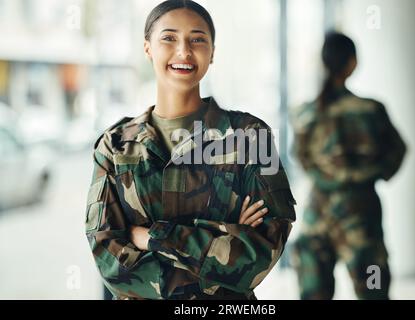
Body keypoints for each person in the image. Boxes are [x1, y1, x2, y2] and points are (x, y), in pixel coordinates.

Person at [84, 0, 296, 300]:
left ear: (212, 53)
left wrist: (150, 237)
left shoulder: (250, 137)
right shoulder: (115, 146)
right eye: (169, 38)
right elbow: (112, 265)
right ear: (148, 48)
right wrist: (224, 235)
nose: (184, 51)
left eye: (197, 39)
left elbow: (258, 259)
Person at [290, 32, 407, 300]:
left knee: (312, 294)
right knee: (374, 290)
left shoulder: (304, 114)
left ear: (323, 64)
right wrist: (373, 174)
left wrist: (326, 177)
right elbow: (398, 150)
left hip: (317, 216)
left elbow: (300, 157)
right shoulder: (371, 110)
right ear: (352, 64)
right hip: (361, 214)